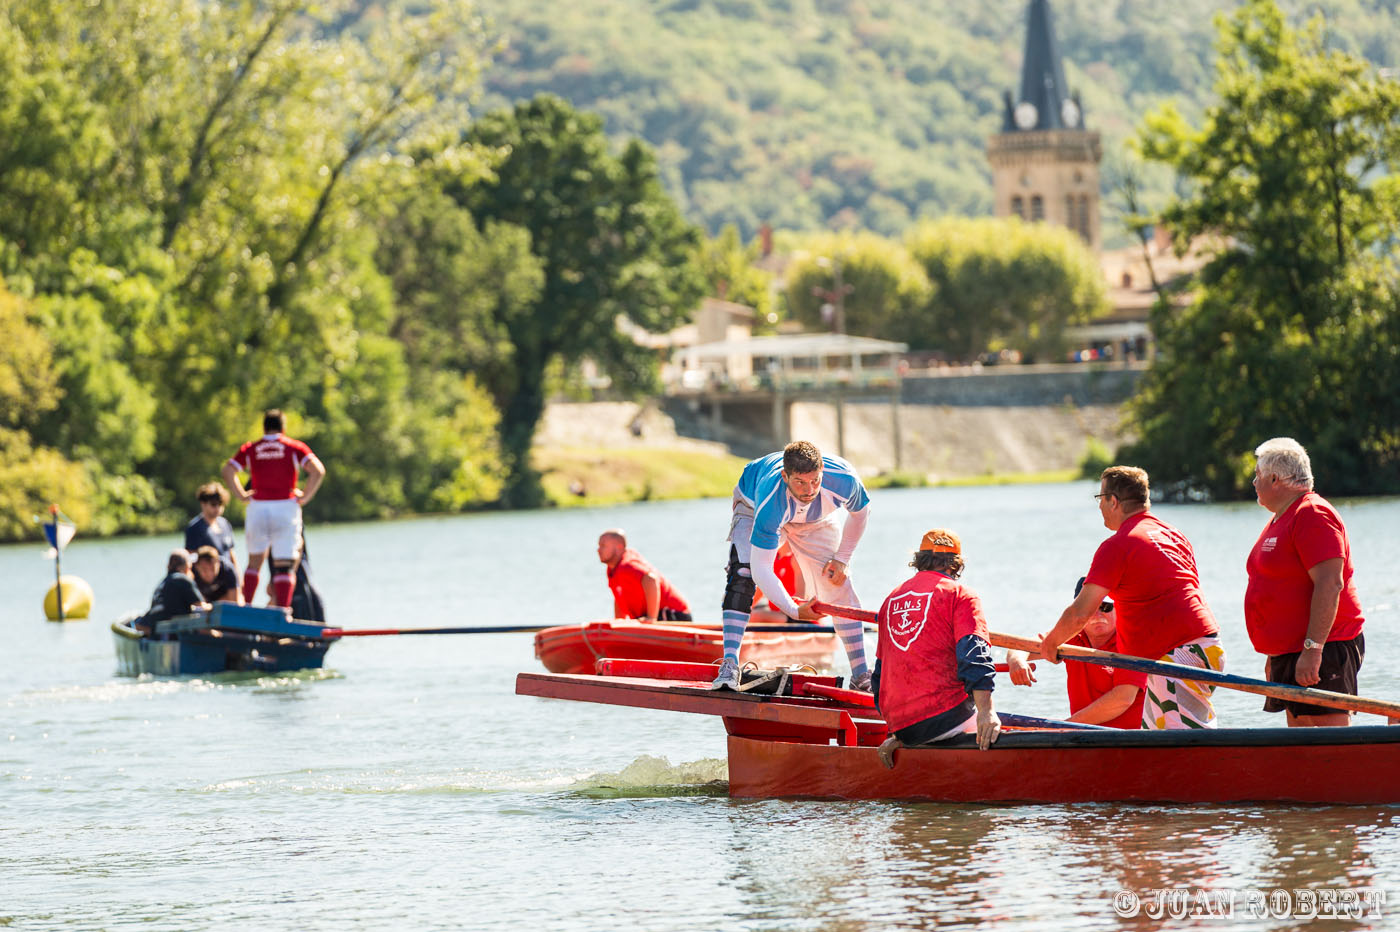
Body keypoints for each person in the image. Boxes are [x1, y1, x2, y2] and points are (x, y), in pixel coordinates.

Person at [1039, 466, 1226, 730]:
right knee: (1165, 740)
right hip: (1208, 648)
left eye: (1100, 499)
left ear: (1113, 501)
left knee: (1181, 749)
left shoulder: (1118, 545)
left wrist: (1052, 644)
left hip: (1174, 655)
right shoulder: (1173, 535)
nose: (1100, 507)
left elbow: (1080, 612)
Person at [711, 440, 873, 691]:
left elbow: (861, 514)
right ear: (785, 476)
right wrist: (794, 611)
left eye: (815, 481)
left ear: (822, 473)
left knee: (836, 581)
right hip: (752, 505)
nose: (809, 490)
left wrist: (842, 558)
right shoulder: (770, 499)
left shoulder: (844, 479)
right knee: (743, 573)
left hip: (816, 519)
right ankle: (730, 665)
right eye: (800, 482)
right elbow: (761, 567)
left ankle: (861, 676)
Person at [1246, 437, 1365, 727]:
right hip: (1291, 651)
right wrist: (1275, 654)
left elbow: (1329, 583)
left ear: (1275, 479)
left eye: (1257, 475)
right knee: (1300, 742)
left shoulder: (1311, 513)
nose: (1253, 482)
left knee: (1327, 743)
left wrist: (1313, 650)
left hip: (1324, 646)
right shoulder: (1283, 516)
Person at [872, 529, 1001, 765]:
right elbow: (974, 656)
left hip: (902, 727)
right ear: (956, 564)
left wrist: (898, 732)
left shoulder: (889, 600)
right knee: (992, 720)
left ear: (920, 560)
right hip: (946, 719)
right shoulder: (961, 594)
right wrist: (987, 712)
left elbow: (879, 676)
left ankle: (906, 740)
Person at [1006, 578, 1146, 729]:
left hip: (1132, 740)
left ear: (1118, 608)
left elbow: (1122, 699)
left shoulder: (1134, 642)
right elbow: (1021, 646)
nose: (1098, 615)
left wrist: (1063, 727)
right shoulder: (1070, 637)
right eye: (1091, 609)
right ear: (1079, 612)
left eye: (1105, 607)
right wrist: (1016, 661)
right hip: (1082, 737)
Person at [221, 409, 325, 609]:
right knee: (284, 564)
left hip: (258, 507)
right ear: (283, 428)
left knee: (254, 562)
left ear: (264, 427)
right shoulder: (293, 447)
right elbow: (317, 470)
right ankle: (283, 611)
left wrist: (242, 494)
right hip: (285, 506)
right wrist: (305, 495)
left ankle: (247, 607)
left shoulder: (252, 448)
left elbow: (228, 470)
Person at [596, 529, 692, 622]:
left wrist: (651, 618)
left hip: (673, 614)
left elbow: (650, 579)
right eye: (599, 546)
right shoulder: (613, 569)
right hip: (652, 615)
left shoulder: (627, 565)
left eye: (603, 546)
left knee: (644, 621)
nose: (598, 550)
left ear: (619, 547)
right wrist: (619, 623)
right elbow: (619, 598)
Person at [136, 550, 210, 632]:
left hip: (157, 634)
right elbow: (201, 607)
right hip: (176, 635)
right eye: (191, 568)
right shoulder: (182, 579)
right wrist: (212, 606)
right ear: (186, 567)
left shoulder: (161, 585)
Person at [185, 482, 238, 574]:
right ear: (203, 504)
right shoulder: (195, 528)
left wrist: (238, 577)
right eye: (213, 504)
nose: (217, 508)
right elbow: (191, 559)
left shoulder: (225, 524)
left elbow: (231, 554)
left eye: (220, 504)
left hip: (228, 578)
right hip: (207, 581)